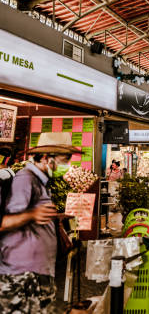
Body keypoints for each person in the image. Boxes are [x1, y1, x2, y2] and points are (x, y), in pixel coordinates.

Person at [0, 132, 80, 313]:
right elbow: (4, 222)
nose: (66, 165)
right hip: (21, 277)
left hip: (36, 274)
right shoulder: (25, 179)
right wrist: (32, 214)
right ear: (45, 157)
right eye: (64, 159)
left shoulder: (41, 181)